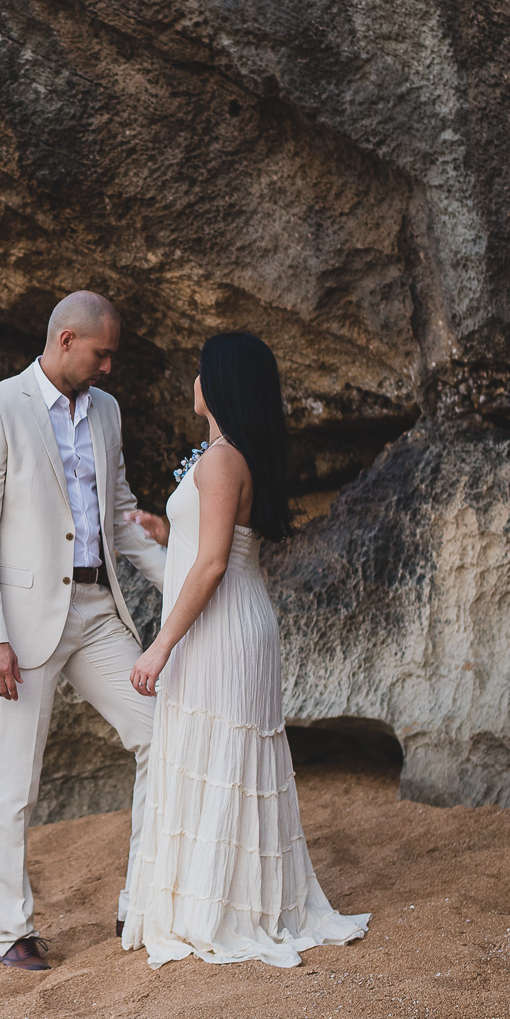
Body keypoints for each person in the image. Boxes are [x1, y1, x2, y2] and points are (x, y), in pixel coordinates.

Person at [119, 331, 368, 968]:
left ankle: (223, 909)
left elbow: (210, 566)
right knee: (216, 752)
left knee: (223, 752)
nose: (194, 379)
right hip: (231, 618)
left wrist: (157, 649)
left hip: (222, 625)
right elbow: (205, 540)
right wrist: (161, 527)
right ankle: (222, 899)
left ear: (220, 383)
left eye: (202, 369)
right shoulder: (223, 455)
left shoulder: (223, 459)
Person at [0, 290, 168, 971]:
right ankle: (13, 931)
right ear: (67, 340)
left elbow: (123, 512)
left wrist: (184, 582)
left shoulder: (107, 412)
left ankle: (143, 899)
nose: (109, 368)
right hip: (20, 625)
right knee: (16, 781)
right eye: (103, 353)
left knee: (162, 733)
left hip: (99, 611)